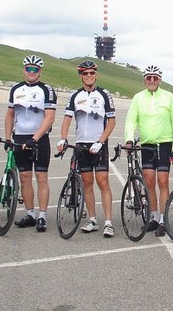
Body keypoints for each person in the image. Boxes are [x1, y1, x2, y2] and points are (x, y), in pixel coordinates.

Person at [57, 61, 116, 237]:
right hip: (82, 145)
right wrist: (63, 138)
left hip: (99, 144)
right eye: (85, 73)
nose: (89, 76)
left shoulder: (104, 94)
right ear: (80, 76)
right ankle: (92, 219)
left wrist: (101, 141)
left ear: (96, 75)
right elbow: (67, 119)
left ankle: (108, 223)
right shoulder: (75, 95)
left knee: (103, 182)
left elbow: (112, 121)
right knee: (87, 184)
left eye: (92, 73)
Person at [124, 65, 173, 237]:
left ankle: (164, 220)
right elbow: (130, 120)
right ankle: (154, 217)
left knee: (162, 181)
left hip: (165, 143)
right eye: (148, 78)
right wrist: (128, 138)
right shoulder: (138, 98)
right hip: (147, 144)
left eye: (155, 78)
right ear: (144, 80)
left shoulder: (168, 97)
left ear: (160, 80)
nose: (151, 81)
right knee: (149, 181)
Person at [5, 55, 57, 232]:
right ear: (24, 70)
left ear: (40, 71)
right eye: (28, 68)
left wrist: (35, 138)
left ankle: (42, 216)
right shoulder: (16, 89)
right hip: (20, 137)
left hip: (39, 139)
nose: (31, 72)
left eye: (35, 69)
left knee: (41, 178)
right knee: (25, 178)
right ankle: (30, 214)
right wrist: (7, 138)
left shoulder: (47, 90)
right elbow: (10, 115)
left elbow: (50, 117)